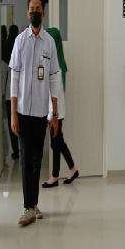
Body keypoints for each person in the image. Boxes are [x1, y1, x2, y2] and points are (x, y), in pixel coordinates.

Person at [9, 0, 61, 226]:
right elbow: (14, 78)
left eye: (38, 8)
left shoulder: (49, 42)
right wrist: (13, 113)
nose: (35, 12)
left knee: (37, 159)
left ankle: (33, 204)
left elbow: (54, 78)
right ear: (27, 13)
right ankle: (27, 206)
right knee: (25, 160)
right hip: (22, 112)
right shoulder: (20, 41)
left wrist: (54, 113)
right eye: (31, 8)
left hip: (40, 113)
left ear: (43, 13)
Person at [42, 27, 79, 188]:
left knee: (56, 142)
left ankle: (55, 176)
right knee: (58, 141)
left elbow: (55, 91)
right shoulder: (55, 62)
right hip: (54, 109)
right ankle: (73, 169)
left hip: (56, 109)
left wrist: (53, 114)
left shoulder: (56, 65)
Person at [3, 24, 20, 160]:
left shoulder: (5, 48)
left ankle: (16, 150)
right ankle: (23, 147)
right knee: (23, 122)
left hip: (9, 95)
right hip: (22, 95)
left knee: (11, 123)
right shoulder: (20, 45)